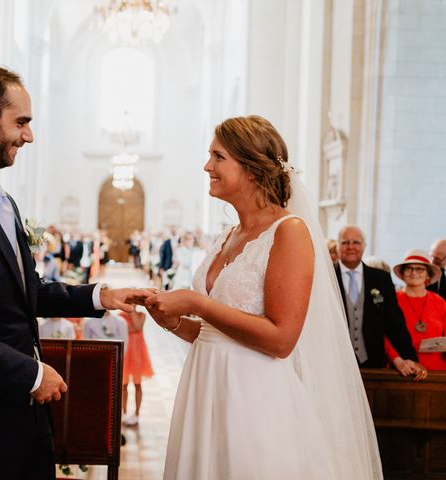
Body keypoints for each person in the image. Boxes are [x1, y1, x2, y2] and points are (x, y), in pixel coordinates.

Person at [0, 66, 150, 480]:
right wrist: (32, 373)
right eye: (21, 122)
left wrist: (98, 296)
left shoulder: (1, 201)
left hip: (24, 414)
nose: (29, 135)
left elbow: (24, 290)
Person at [144, 115, 383, 479]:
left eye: (218, 157)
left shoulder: (288, 232)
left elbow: (281, 339)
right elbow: (213, 333)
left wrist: (195, 303)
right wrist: (172, 320)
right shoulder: (229, 234)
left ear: (252, 169)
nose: (207, 165)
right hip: (206, 389)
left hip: (254, 399)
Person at [335, 226, 426, 378]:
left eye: (356, 242)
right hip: (336, 364)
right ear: (337, 246)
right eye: (345, 242)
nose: (351, 247)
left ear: (364, 246)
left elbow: (394, 323)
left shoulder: (381, 278)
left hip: (373, 364)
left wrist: (410, 358)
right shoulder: (326, 278)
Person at [385, 250, 446, 370]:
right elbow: (384, 337)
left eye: (420, 269)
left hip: (438, 371)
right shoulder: (392, 300)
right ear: (402, 274)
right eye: (409, 268)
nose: (414, 273)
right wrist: (399, 361)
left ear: (428, 275)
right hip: (403, 369)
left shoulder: (440, 302)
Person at [120, 308, 154, 427]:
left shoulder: (141, 315)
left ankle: (137, 413)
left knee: (137, 384)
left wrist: (132, 312)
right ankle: (123, 412)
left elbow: (138, 327)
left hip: (138, 354)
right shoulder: (120, 316)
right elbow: (126, 330)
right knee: (123, 384)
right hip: (125, 352)